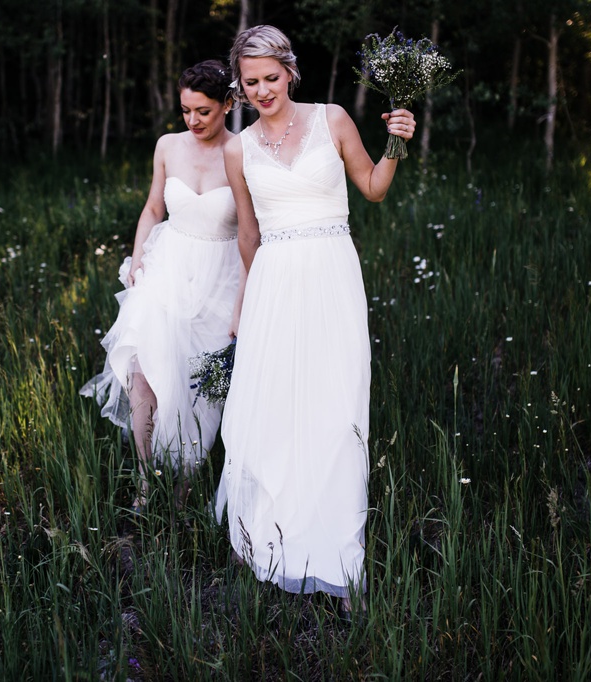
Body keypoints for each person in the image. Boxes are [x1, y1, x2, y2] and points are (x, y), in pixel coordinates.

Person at [214, 25, 416, 616]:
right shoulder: (237, 148)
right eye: (250, 83)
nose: (261, 91)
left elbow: (374, 189)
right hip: (275, 282)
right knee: (273, 404)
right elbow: (247, 233)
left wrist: (397, 143)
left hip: (331, 274)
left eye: (270, 78)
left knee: (334, 402)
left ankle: (336, 552)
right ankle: (270, 537)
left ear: (290, 71)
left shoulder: (332, 119)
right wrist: (250, 302)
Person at [81, 60, 240, 511]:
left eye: (203, 111)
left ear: (228, 104)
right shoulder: (168, 146)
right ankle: (146, 479)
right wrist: (138, 259)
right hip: (166, 268)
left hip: (219, 277)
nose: (193, 120)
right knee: (144, 378)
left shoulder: (243, 152)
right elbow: (153, 208)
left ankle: (185, 486)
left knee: (198, 390)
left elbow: (252, 230)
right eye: (186, 109)